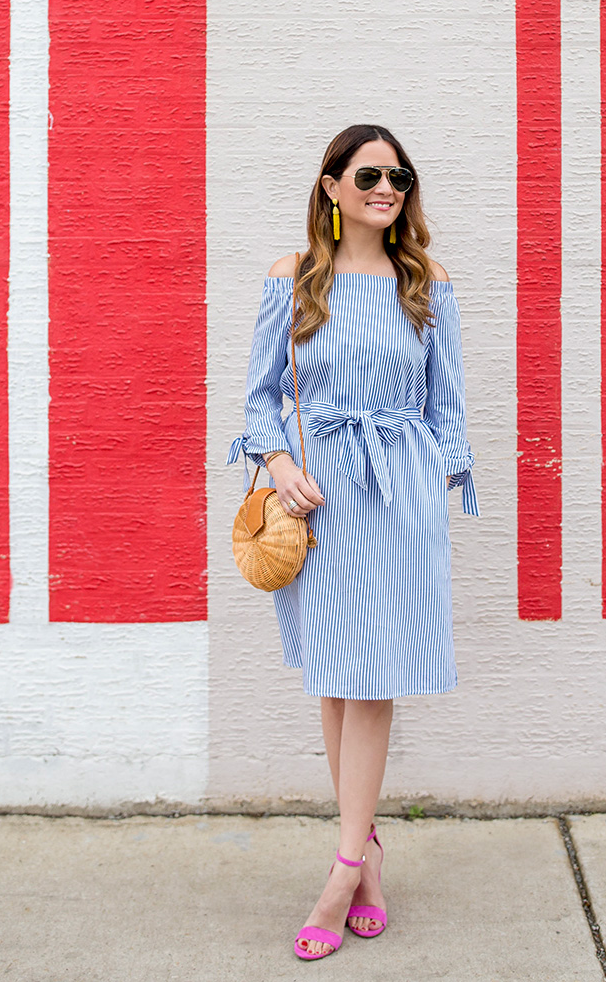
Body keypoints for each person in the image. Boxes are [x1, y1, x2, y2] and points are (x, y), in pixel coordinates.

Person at [227, 123, 478, 960]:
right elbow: (261, 398)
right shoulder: (293, 279)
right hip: (321, 495)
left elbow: (449, 412)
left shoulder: (425, 283)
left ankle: (341, 869)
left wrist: (432, 490)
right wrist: (281, 460)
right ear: (330, 186)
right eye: (369, 173)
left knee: (371, 681)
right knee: (337, 679)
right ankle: (367, 854)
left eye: (400, 175)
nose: (387, 186)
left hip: (398, 499)